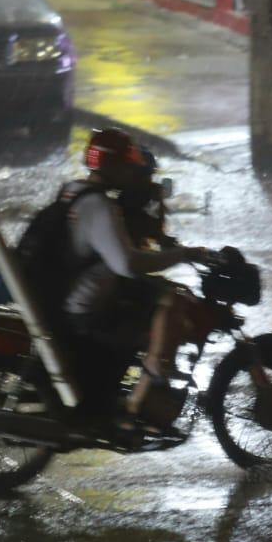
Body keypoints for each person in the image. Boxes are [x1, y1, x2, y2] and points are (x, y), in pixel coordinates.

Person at [60, 128, 217, 427]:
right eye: (128, 165)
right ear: (113, 165)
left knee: (161, 296)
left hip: (70, 292)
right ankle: (141, 398)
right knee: (172, 302)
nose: (133, 171)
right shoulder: (101, 206)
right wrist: (182, 255)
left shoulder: (72, 190)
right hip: (89, 306)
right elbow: (128, 265)